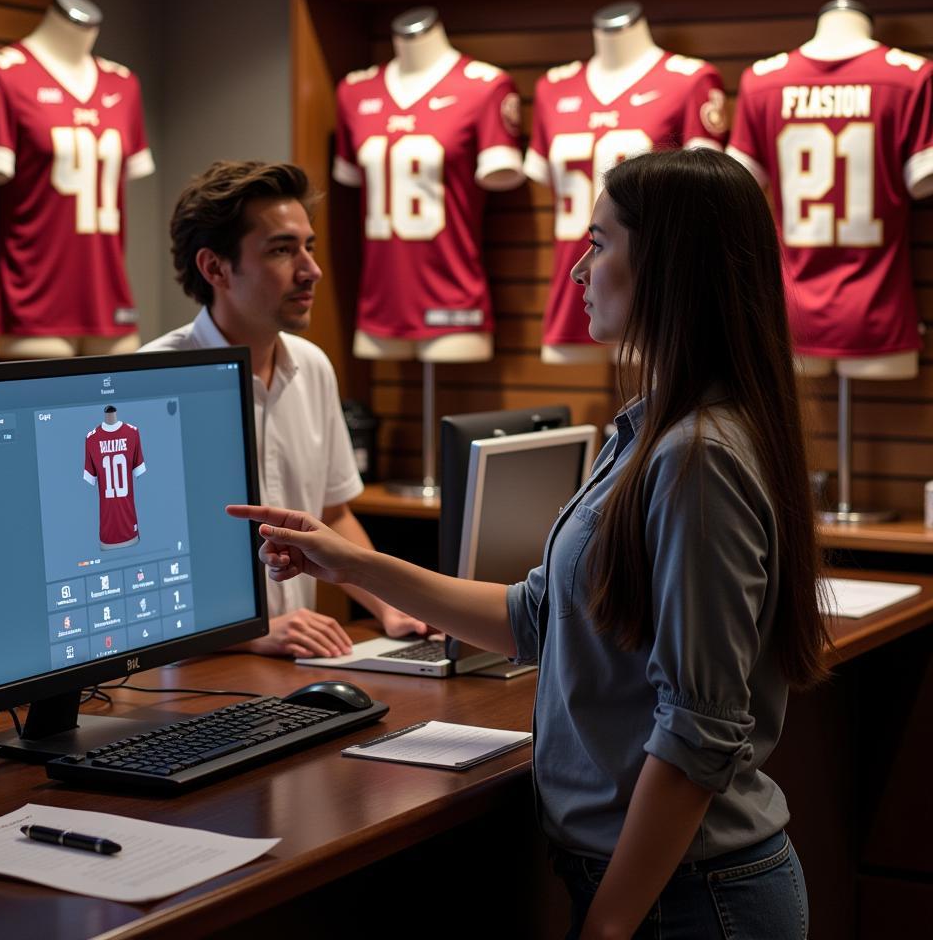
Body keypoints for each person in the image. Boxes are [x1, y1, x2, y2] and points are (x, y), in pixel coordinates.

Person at [228, 148, 830, 940]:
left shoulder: (697, 457)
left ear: (668, 268)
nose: (579, 270)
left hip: (686, 902)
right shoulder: (654, 429)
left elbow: (698, 728)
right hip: (663, 891)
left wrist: (609, 925)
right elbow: (537, 615)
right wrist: (351, 562)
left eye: (600, 243)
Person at [143, 160, 427, 658]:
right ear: (215, 268)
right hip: (184, 681)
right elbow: (136, 568)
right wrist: (249, 632)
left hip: (289, 670)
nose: (311, 269)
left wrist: (390, 604)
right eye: (281, 250)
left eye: (308, 247)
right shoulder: (147, 382)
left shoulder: (313, 366)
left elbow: (333, 517)